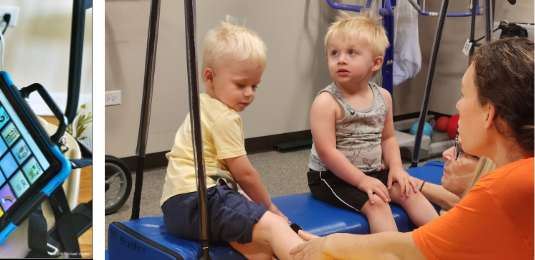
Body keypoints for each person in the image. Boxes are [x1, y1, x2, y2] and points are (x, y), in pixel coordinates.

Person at [290, 37, 533, 260]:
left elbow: (406, 250)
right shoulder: (515, 181)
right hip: (335, 178)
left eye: (462, 94)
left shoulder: (498, 192)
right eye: (334, 52)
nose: (458, 104)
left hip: (373, 180)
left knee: (396, 196)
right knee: (394, 193)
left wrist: (328, 246)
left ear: (489, 113)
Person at [158, 22, 313, 260]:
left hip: (175, 208)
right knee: (275, 226)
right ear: (210, 77)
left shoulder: (202, 103)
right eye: (241, 84)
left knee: (259, 246)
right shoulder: (224, 117)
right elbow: (245, 174)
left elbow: (226, 179)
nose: (249, 93)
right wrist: (270, 208)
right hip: (199, 201)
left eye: (254, 85)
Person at [306, 13, 438, 233]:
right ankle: (394, 252)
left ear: (375, 63)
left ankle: (443, 240)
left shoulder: (383, 97)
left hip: (373, 171)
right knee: (378, 204)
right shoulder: (326, 102)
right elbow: (327, 152)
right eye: (334, 52)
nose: (341, 59)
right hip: (330, 177)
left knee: (409, 191)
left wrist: (396, 168)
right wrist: (361, 181)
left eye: (352, 52)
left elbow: (387, 137)